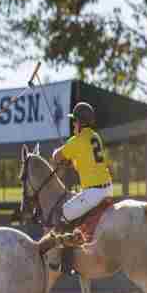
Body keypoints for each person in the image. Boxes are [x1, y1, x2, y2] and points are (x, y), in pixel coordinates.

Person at [49, 101, 113, 272]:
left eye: (74, 121)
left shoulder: (76, 140)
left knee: (63, 213)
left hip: (94, 192)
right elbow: (85, 162)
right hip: (107, 188)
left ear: (79, 122)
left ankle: (67, 262)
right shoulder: (95, 137)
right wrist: (72, 160)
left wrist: (62, 152)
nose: (73, 124)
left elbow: (56, 157)